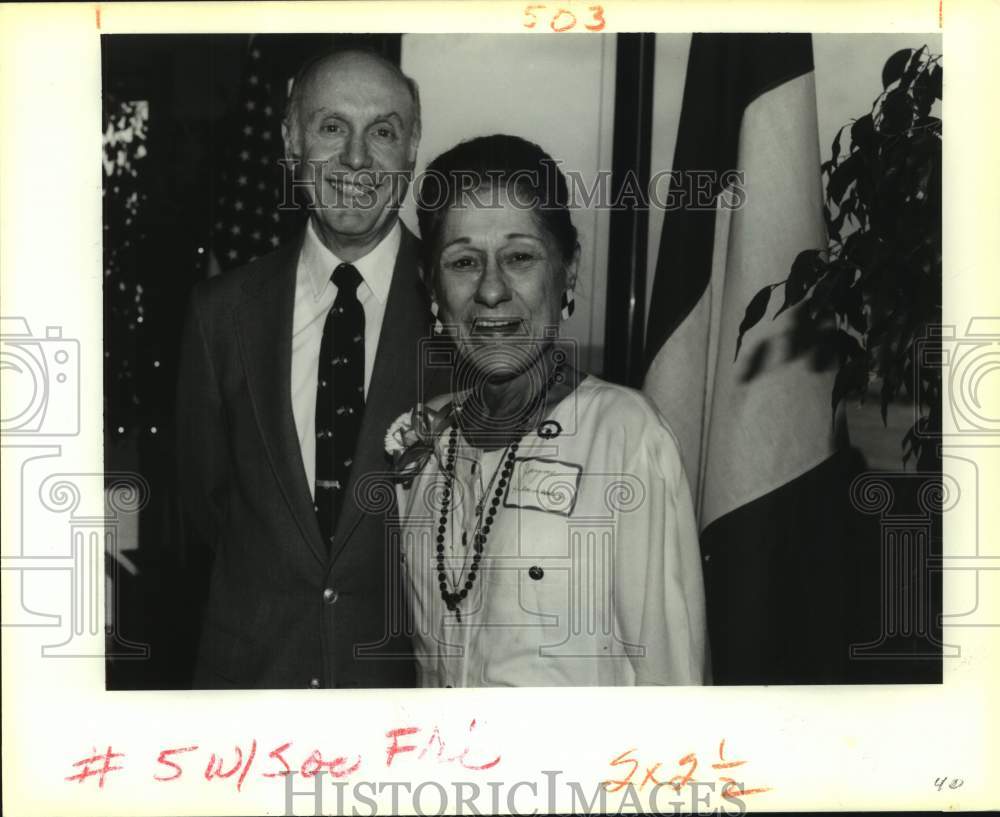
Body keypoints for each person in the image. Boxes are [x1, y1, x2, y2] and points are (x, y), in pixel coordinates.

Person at [390, 135, 708, 686]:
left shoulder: (625, 437)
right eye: (464, 262)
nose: (491, 290)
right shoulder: (427, 443)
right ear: (433, 290)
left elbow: (673, 684)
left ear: (569, 270)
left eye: (520, 257)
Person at [175, 49, 437, 688]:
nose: (355, 159)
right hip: (253, 690)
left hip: (403, 703)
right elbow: (200, 514)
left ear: (410, 150)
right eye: (330, 128)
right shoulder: (220, 314)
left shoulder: (459, 307)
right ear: (291, 142)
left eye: (382, 131)